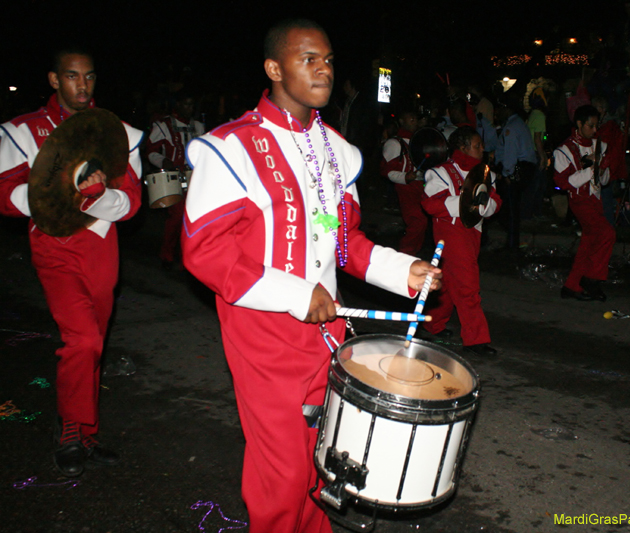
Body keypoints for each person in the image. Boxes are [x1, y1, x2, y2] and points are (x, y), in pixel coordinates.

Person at [180, 19, 442, 533]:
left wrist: (402, 270)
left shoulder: (340, 151)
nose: (323, 69)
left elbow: (346, 244)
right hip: (263, 332)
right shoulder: (229, 147)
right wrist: (298, 294)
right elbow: (205, 252)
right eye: (308, 60)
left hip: (328, 333)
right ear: (274, 69)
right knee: (281, 475)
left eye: (328, 60)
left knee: (324, 461)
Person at [0, 48, 144, 476]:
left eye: (89, 77)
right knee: (81, 340)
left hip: (102, 247)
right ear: (53, 79)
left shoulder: (119, 132)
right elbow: (4, 193)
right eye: (72, 77)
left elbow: (133, 203)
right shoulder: (23, 131)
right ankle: (70, 429)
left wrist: (102, 195)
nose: (82, 86)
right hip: (53, 245)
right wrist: (56, 193)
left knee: (94, 342)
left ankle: (88, 433)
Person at [421, 126, 501, 356]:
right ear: (463, 148)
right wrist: (468, 203)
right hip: (450, 234)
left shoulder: (486, 174)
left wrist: (483, 206)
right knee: (468, 286)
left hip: (473, 233)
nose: (482, 149)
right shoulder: (440, 172)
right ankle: (476, 339)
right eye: (477, 145)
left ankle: (432, 322)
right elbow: (429, 204)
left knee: (448, 284)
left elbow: (496, 203)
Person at [553, 104, 615, 301]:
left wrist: (602, 170)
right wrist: (592, 168)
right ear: (579, 124)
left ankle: (571, 286)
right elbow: (564, 183)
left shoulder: (599, 145)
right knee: (606, 234)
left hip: (595, 200)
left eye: (597, 126)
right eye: (591, 126)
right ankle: (591, 278)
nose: (595, 130)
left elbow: (604, 181)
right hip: (580, 201)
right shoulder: (564, 150)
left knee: (588, 243)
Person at [145, 92, 204, 269]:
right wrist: (162, 160)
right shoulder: (164, 126)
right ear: (177, 105)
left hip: (194, 177)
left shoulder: (199, 126)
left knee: (193, 217)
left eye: (192, 105)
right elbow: (150, 151)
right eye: (186, 104)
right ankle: (167, 255)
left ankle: (188, 254)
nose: (189, 108)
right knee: (176, 217)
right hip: (173, 177)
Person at [380, 108, 429, 255]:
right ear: (402, 121)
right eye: (411, 118)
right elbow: (386, 171)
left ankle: (413, 253)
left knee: (423, 222)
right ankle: (405, 253)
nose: (415, 122)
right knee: (417, 221)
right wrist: (406, 177)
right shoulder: (395, 143)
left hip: (419, 186)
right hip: (406, 188)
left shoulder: (417, 141)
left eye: (416, 119)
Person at [494, 94, 537, 248]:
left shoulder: (511, 127)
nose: (497, 112)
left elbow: (510, 153)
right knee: (511, 208)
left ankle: (512, 245)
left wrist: (507, 174)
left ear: (507, 109)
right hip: (523, 167)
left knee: (510, 209)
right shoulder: (517, 123)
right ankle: (512, 243)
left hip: (517, 168)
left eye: (500, 108)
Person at [592, 95, 628, 225]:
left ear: (601, 109)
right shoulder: (603, 125)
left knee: (605, 201)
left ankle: (607, 230)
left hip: (608, 170)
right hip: (604, 168)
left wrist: (603, 167)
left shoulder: (609, 126)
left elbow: (611, 150)